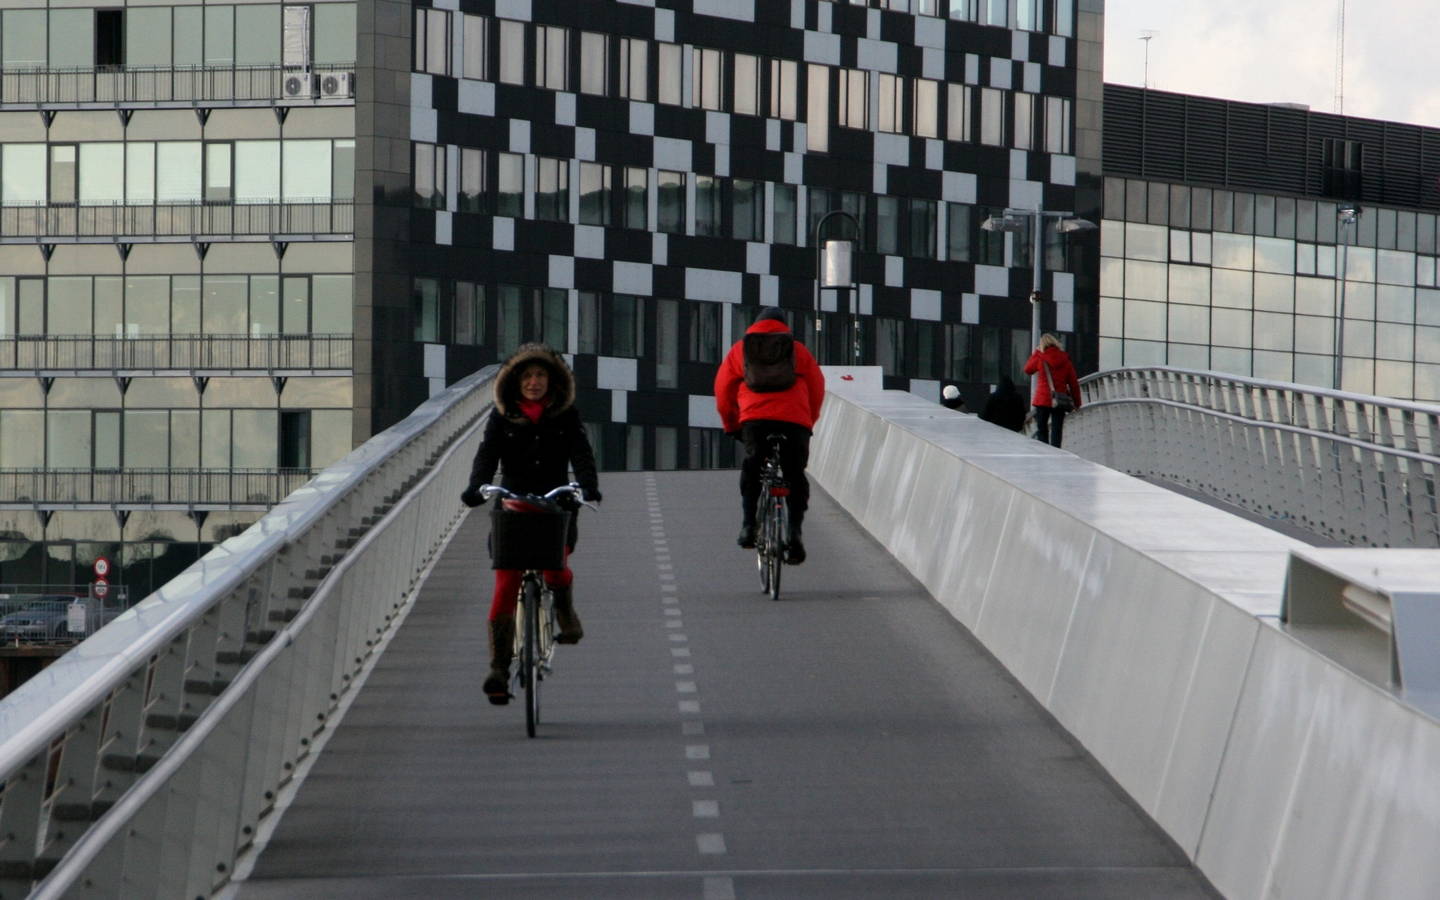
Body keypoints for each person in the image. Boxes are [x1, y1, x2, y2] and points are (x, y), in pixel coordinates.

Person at [461, 343, 600, 705]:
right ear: (514, 383)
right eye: (526, 376)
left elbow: (581, 452)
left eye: (540, 376)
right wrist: (476, 486)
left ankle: (566, 611)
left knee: (555, 569)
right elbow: (487, 453)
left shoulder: (565, 415)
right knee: (506, 581)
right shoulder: (501, 417)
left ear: (551, 382)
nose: (534, 382)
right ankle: (498, 668)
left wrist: (588, 485)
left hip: (556, 502)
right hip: (513, 503)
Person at [714, 308, 825, 565]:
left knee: (753, 466)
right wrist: (808, 421)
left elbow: (723, 392)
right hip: (794, 422)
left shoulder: (740, 350)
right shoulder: (798, 351)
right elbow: (817, 389)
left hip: (755, 420)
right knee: (795, 474)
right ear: (783, 328)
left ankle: (748, 526)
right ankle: (794, 534)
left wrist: (731, 425)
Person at [1022, 333, 1082, 447]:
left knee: (1042, 429)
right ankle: (1056, 452)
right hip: (1060, 399)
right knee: (1057, 430)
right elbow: (1073, 383)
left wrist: (1036, 353)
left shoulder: (1040, 357)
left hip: (1043, 399)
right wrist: (1077, 403)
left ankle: (1044, 452)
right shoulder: (1065, 360)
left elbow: (1027, 369)